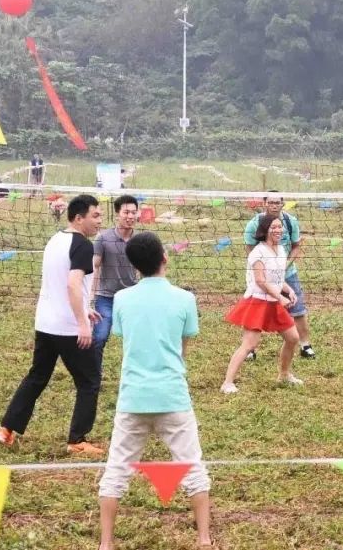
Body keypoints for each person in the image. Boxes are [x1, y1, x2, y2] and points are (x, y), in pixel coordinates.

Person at [97, 232, 211, 550]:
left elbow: (125, 337)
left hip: (132, 397)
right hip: (173, 395)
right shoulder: (185, 299)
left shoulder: (121, 299)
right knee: (193, 466)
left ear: (134, 267)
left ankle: (106, 543)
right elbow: (183, 345)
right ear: (165, 258)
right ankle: (204, 540)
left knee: (116, 470)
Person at [0, 194, 106, 455]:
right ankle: (78, 441)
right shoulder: (83, 246)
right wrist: (82, 323)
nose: (100, 221)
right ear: (79, 218)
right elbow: (72, 284)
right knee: (89, 381)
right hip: (68, 327)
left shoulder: (55, 239)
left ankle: (7, 429)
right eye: (95, 216)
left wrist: (85, 309)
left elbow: (59, 283)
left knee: (37, 377)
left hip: (45, 323)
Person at [221, 214, 302, 393]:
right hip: (257, 301)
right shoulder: (258, 252)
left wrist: (289, 291)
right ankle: (227, 382)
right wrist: (281, 297)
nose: (278, 230)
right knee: (249, 344)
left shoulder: (281, 250)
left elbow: (278, 278)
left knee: (293, 338)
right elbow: (261, 280)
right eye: (273, 227)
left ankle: (284, 374)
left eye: (280, 227)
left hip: (273, 300)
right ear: (265, 230)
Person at [243, 191, 314, 359]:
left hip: (288, 272)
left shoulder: (291, 221)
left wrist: (284, 266)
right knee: (255, 311)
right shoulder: (254, 223)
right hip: (262, 276)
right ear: (264, 203)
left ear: (283, 203)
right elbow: (249, 248)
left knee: (298, 310)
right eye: (271, 202)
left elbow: (296, 246)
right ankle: (249, 349)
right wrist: (263, 268)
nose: (274, 205)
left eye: (277, 202)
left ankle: (306, 346)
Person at [91, 195, 140, 371]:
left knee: (137, 339)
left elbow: (145, 269)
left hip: (131, 298)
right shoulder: (103, 238)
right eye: (126, 212)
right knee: (99, 337)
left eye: (134, 212)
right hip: (105, 298)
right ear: (117, 214)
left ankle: (135, 372)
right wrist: (90, 297)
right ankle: (93, 373)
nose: (130, 216)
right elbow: (94, 266)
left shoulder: (140, 240)